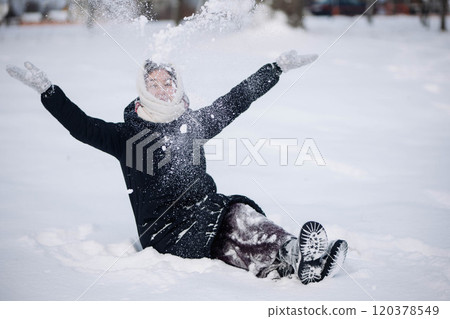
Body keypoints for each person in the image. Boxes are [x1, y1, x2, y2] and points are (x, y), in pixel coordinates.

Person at [6, 51, 348, 284]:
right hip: (165, 230)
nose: (162, 89)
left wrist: (275, 67)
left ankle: (296, 254)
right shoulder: (127, 136)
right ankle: (287, 260)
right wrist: (48, 91)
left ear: (177, 86)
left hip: (206, 209)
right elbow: (81, 126)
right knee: (225, 229)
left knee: (236, 213)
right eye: (153, 84)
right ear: (143, 90)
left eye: (167, 83)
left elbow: (235, 100)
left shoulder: (192, 124)